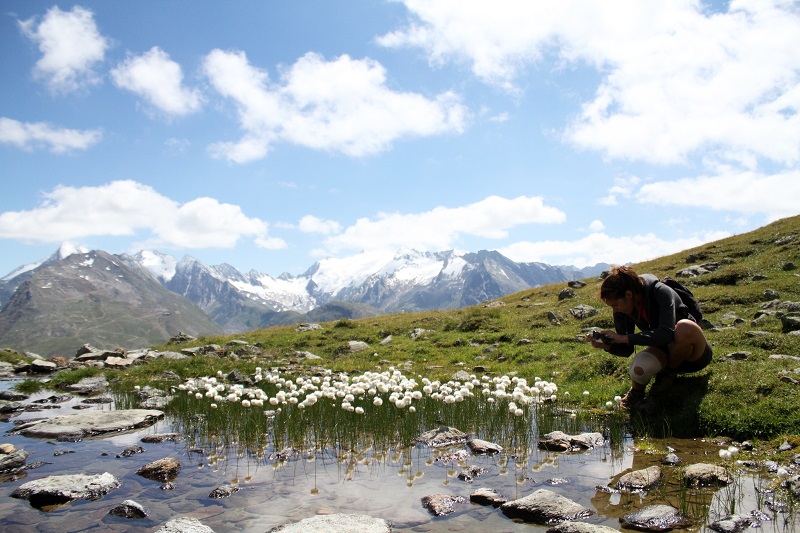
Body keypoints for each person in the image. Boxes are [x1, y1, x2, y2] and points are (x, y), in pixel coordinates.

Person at [587, 265, 712, 409]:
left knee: (684, 328)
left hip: (693, 355)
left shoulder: (660, 292)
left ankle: (664, 381)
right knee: (639, 369)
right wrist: (607, 345)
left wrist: (624, 338)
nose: (615, 310)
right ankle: (637, 393)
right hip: (664, 351)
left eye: (615, 305)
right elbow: (627, 350)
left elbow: (667, 334)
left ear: (628, 295)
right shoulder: (623, 309)